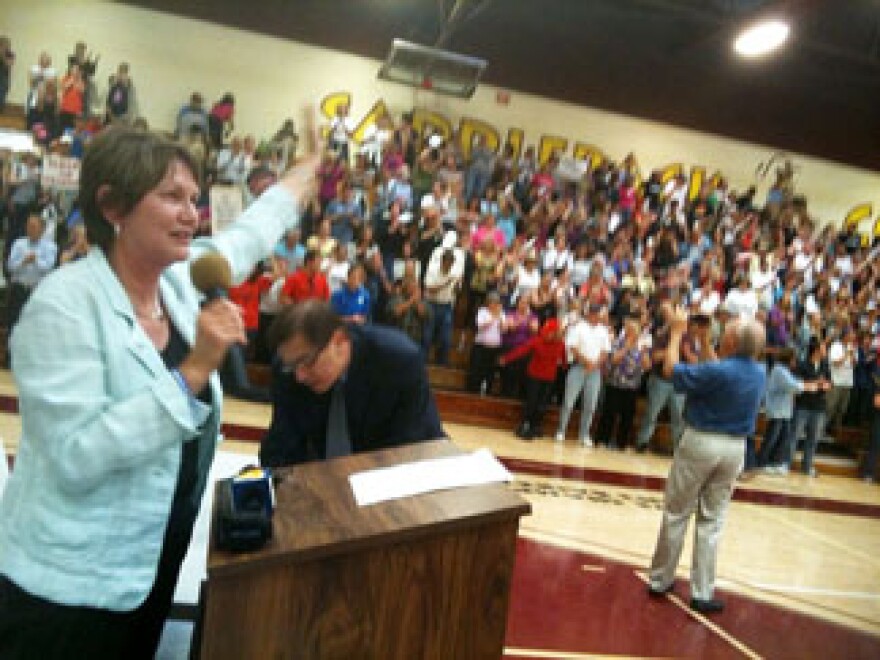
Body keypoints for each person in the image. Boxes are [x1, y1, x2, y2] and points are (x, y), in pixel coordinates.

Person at [0, 127, 316, 658]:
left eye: (194, 199)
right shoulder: (63, 305)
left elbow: (249, 235)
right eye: (172, 197)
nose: (192, 214)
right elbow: (77, 456)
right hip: (66, 590)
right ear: (113, 206)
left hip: (148, 569)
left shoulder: (177, 282)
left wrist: (307, 170)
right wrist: (192, 373)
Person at [647, 309, 766, 614]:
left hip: (702, 440)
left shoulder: (720, 372)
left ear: (732, 342)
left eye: (725, 333)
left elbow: (671, 371)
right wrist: (703, 341)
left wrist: (676, 333)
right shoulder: (757, 371)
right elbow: (718, 371)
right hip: (735, 448)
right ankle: (702, 591)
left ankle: (661, 579)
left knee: (677, 511)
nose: (720, 333)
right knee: (712, 519)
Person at [259, 300, 444, 467]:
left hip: (399, 468)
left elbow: (413, 446)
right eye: (292, 366)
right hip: (325, 479)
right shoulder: (288, 369)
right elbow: (280, 446)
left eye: (307, 361)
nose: (299, 376)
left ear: (339, 341)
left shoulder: (397, 360)